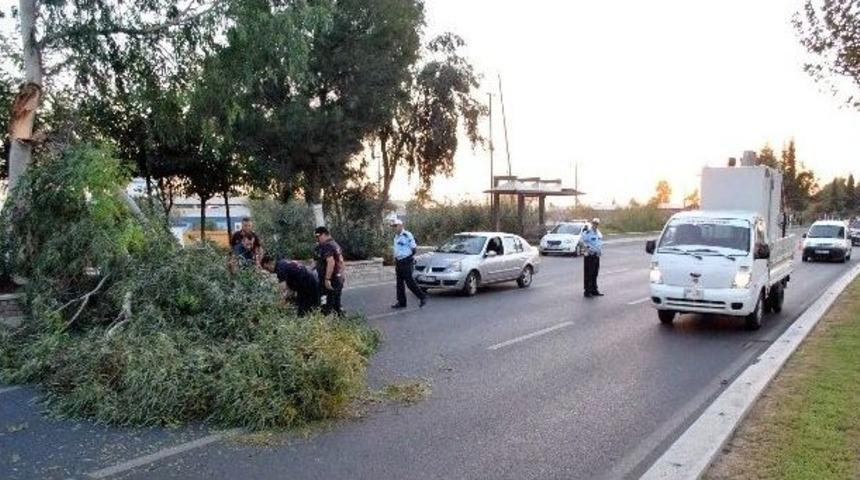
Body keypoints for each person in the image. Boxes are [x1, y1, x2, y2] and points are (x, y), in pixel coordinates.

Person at [389, 217, 427, 309]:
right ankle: (401, 302)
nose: (394, 228)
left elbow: (414, 249)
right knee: (399, 283)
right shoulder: (396, 237)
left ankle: (422, 297)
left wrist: (408, 258)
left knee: (409, 282)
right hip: (398, 262)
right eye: (393, 226)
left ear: (401, 226)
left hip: (406, 261)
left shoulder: (407, 235)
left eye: (395, 226)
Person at [312, 226, 345, 316]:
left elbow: (331, 262)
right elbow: (341, 261)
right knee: (336, 304)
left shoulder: (327, 245)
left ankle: (328, 325)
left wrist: (327, 279)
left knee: (326, 305)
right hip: (337, 279)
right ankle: (341, 320)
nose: (317, 239)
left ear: (323, 234)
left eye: (318, 236)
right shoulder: (334, 244)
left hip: (330, 280)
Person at [582, 218, 604, 298]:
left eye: (597, 224)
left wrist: (600, 251)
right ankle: (587, 291)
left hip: (596, 255)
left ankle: (594, 290)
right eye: (594, 223)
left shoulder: (598, 233)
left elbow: (599, 243)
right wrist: (587, 249)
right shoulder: (587, 232)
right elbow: (583, 242)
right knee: (589, 274)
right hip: (589, 255)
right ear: (592, 224)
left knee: (595, 273)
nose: (596, 225)